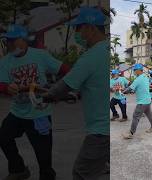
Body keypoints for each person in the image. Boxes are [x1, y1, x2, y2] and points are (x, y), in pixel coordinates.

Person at [42, 7, 109, 180]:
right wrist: (77, 94)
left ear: (90, 28)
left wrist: (46, 96)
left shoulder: (90, 57)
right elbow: (97, 84)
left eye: (79, 28)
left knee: (82, 173)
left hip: (101, 131)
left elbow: (62, 87)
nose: (76, 33)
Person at [0, 24, 69, 180]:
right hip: (17, 112)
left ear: (23, 41)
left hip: (40, 114)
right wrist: (5, 88)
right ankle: (18, 169)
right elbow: (1, 83)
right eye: (8, 41)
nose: (10, 44)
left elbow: (65, 70)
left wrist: (63, 90)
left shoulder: (40, 55)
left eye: (13, 40)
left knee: (43, 156)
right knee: (3, 137)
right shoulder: (5, 62)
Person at [122, 64, 152, 139]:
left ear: (138, 70)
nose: (134, 72)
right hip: (147, 100)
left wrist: (123, 92)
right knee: (149, 114)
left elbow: (130, 89)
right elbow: (141, 86)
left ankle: (131, 133)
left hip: (142, 102)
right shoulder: (145, 76)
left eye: (134, 70)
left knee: (135, 116)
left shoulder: (138, 79)